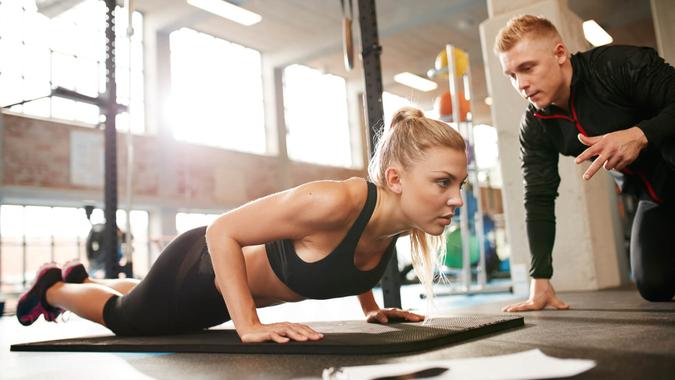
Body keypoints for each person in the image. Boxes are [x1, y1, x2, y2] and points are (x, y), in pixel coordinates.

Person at [16, 107, 468, 343]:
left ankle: (87, 279)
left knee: (146, 295)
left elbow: (348, 256)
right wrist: (248, 324)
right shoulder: (335, 199)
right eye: (443, 182)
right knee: (128, 319)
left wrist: (369, 308)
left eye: (460, 183)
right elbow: (221, 232)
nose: (457, 198)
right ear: (395, 179)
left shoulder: (396, 222)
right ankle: (54, 287)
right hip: (203, 271)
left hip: (224, 296)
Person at [494, 15, 675, 311]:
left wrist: (640, 134)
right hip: (653, 197)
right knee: (654, 285)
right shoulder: (537, 123)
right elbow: (538, 196)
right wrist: (540, 277)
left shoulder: (616, 66)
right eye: (511, 75)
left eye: (527, 68)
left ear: (560, 53)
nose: (521, 84)